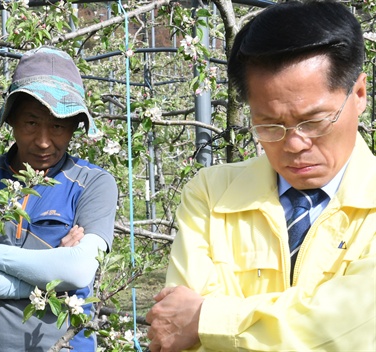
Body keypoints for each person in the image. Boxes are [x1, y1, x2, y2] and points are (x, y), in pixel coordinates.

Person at [146, 1, 375, 351]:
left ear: (358, 95)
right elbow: (181, 332)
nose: (295, 144)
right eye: (269, 125)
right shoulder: (212, 193)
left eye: (313, 122)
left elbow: (358, 325)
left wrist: (208, 320)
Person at [0, 46, 118, 351]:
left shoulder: (93, 183)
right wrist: (47, 280)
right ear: (11, 121)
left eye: (58, 126)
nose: (44, 141)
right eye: (31, 123)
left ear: (75, 127)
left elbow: (77, 270)